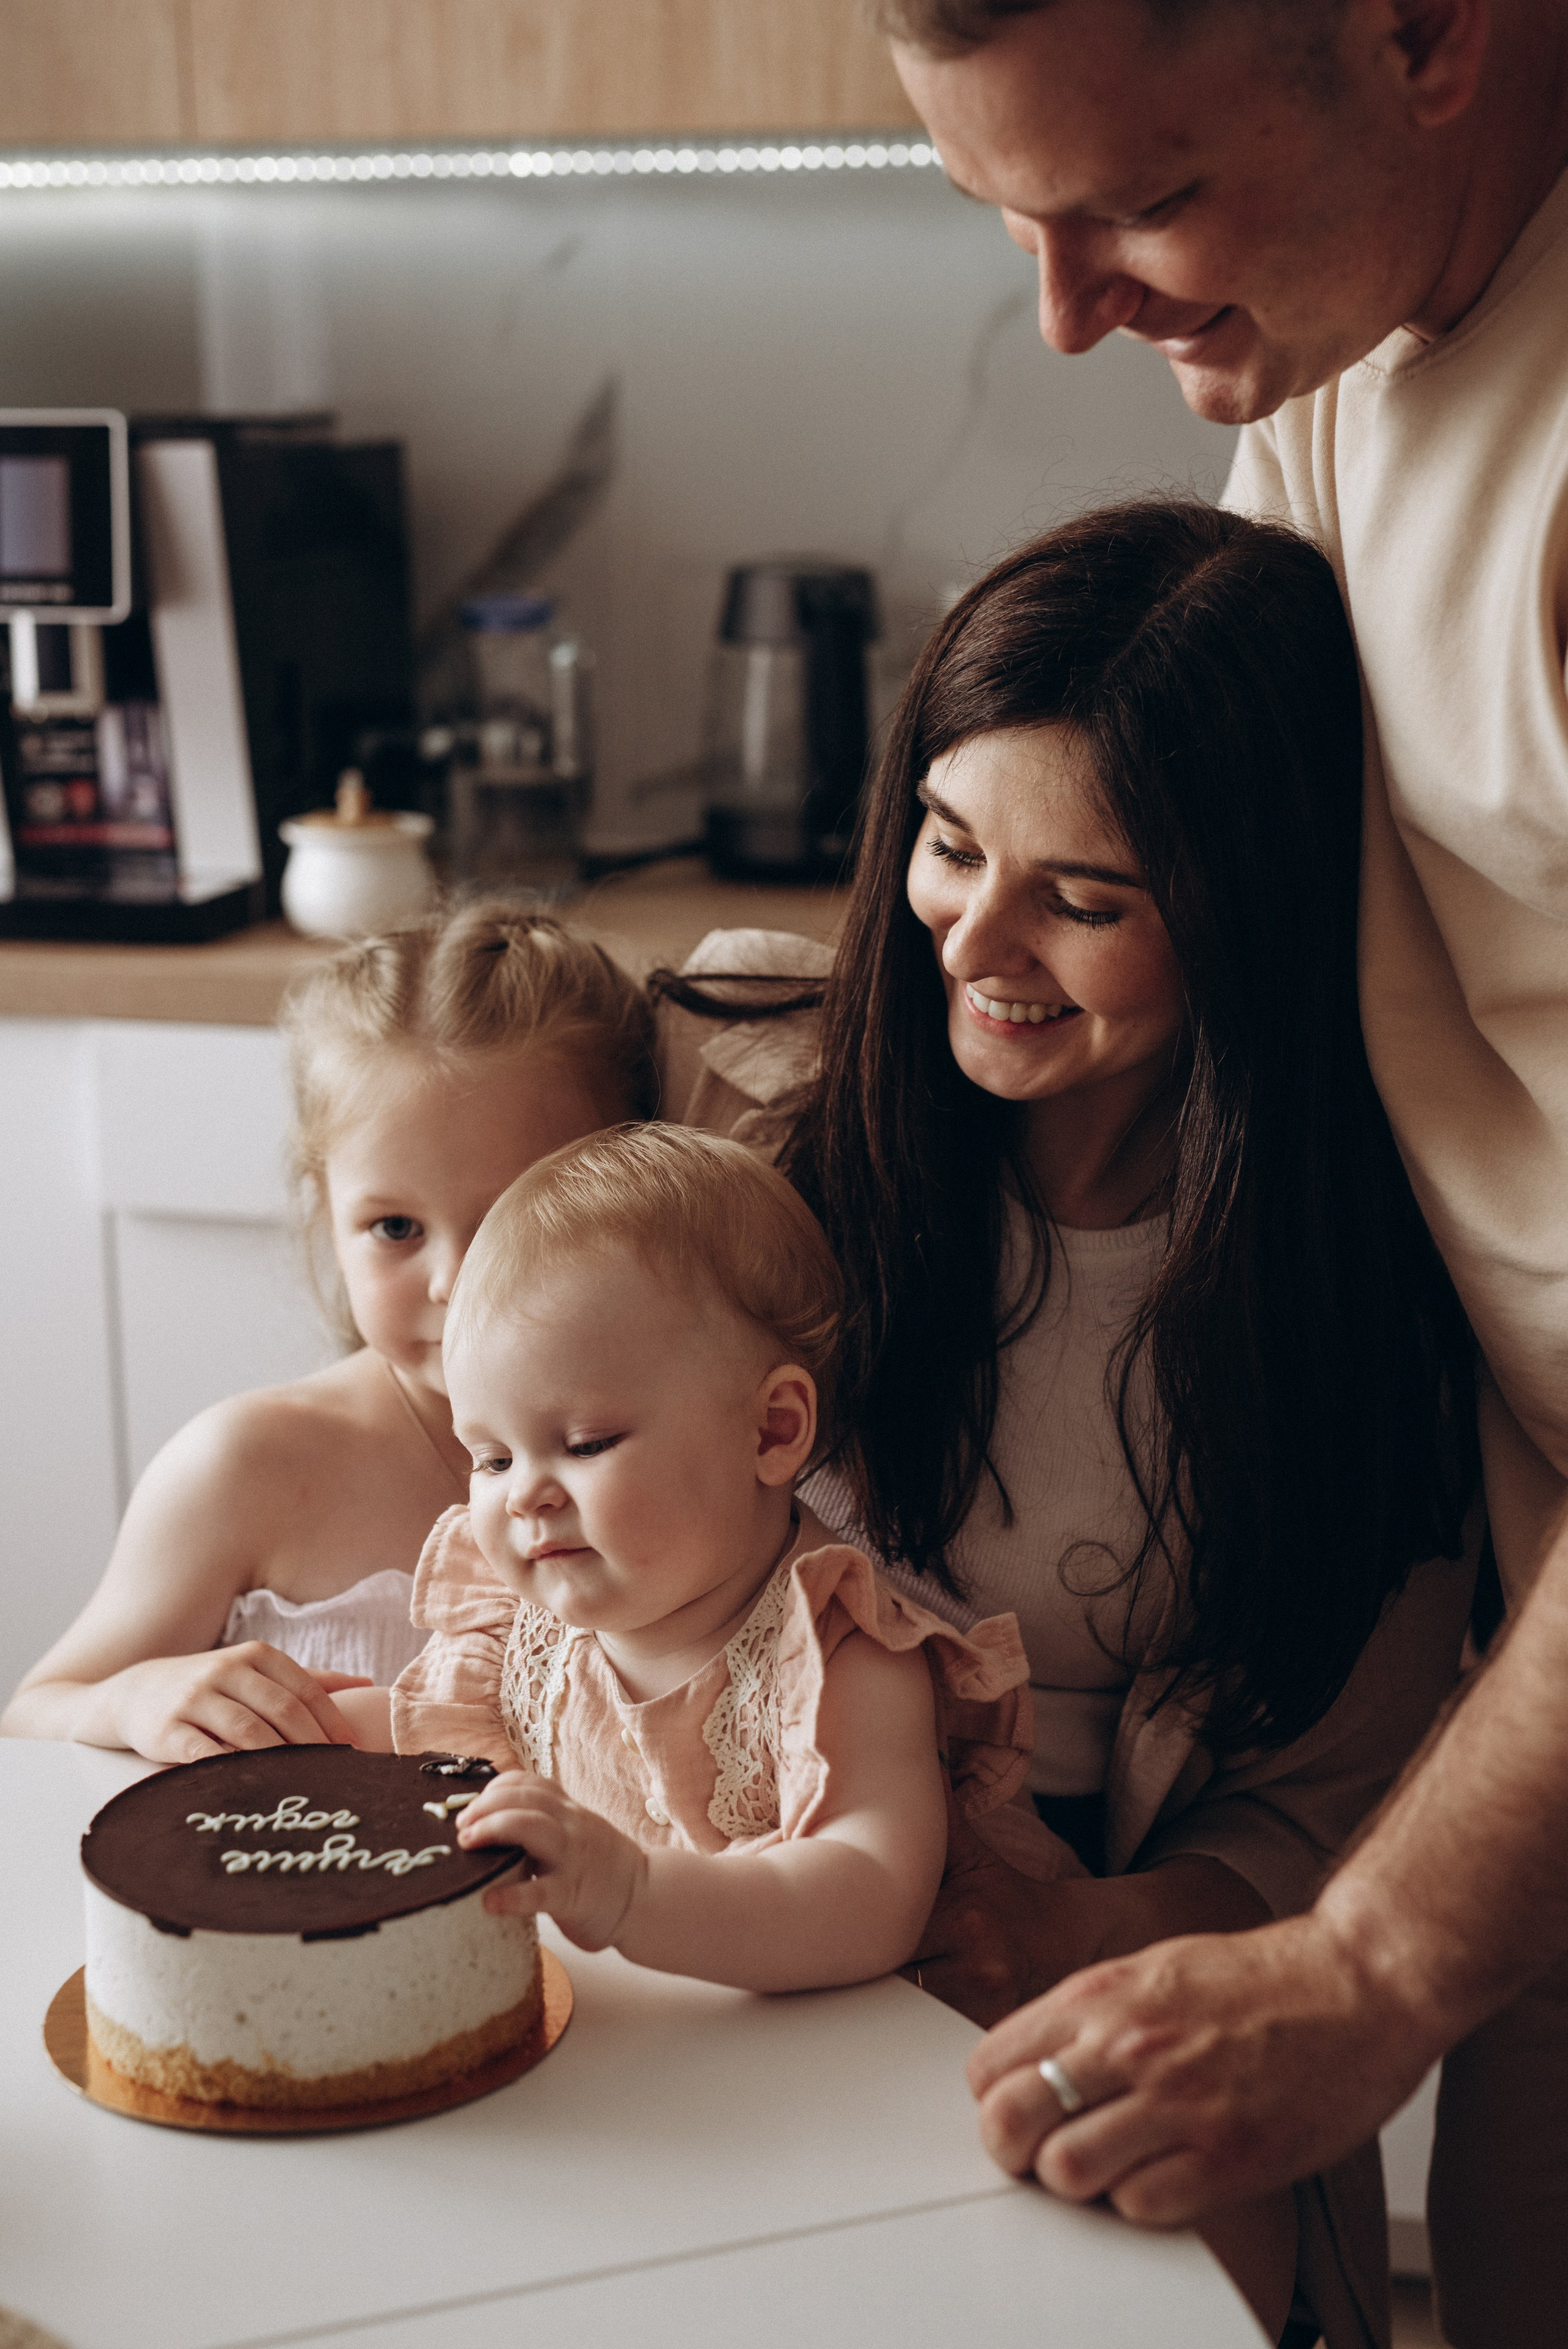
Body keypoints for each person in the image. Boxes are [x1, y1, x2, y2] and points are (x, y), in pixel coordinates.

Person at [873, 6, 1568, 2341]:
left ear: (1431, 33)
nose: (1066, 312)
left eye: (1142, 204)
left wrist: (1363, 1952)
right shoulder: (1348, 327)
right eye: (1011, 216)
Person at [654, 499, 1478, 2348]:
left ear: (1247, 918)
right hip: (713, 1923)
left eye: (1085, 900)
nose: (977, 942)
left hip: (1106, 1967)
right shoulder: (743, 1115)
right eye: (951, 847)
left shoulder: (1368, 1297)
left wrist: (1074, 1938)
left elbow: (1334, 1814)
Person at [335, 1122, 1072, 1995]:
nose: (524, 1494)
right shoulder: (527, 1630)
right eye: (492, 1458)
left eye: (585, 1442)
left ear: (772, 1431)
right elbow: (441, 1745)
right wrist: (301, 1727)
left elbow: (871, 1897)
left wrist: (633, 1893)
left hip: (880, 2066)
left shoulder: (842, 1657)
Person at [1, 905, 652, 1765]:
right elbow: (33, 1715)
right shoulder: (246, 1468)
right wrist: (130, 1701)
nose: (455, 1281)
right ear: (325, 1212)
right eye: (394, 1228)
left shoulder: (693, 1450)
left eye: (512, 1218)